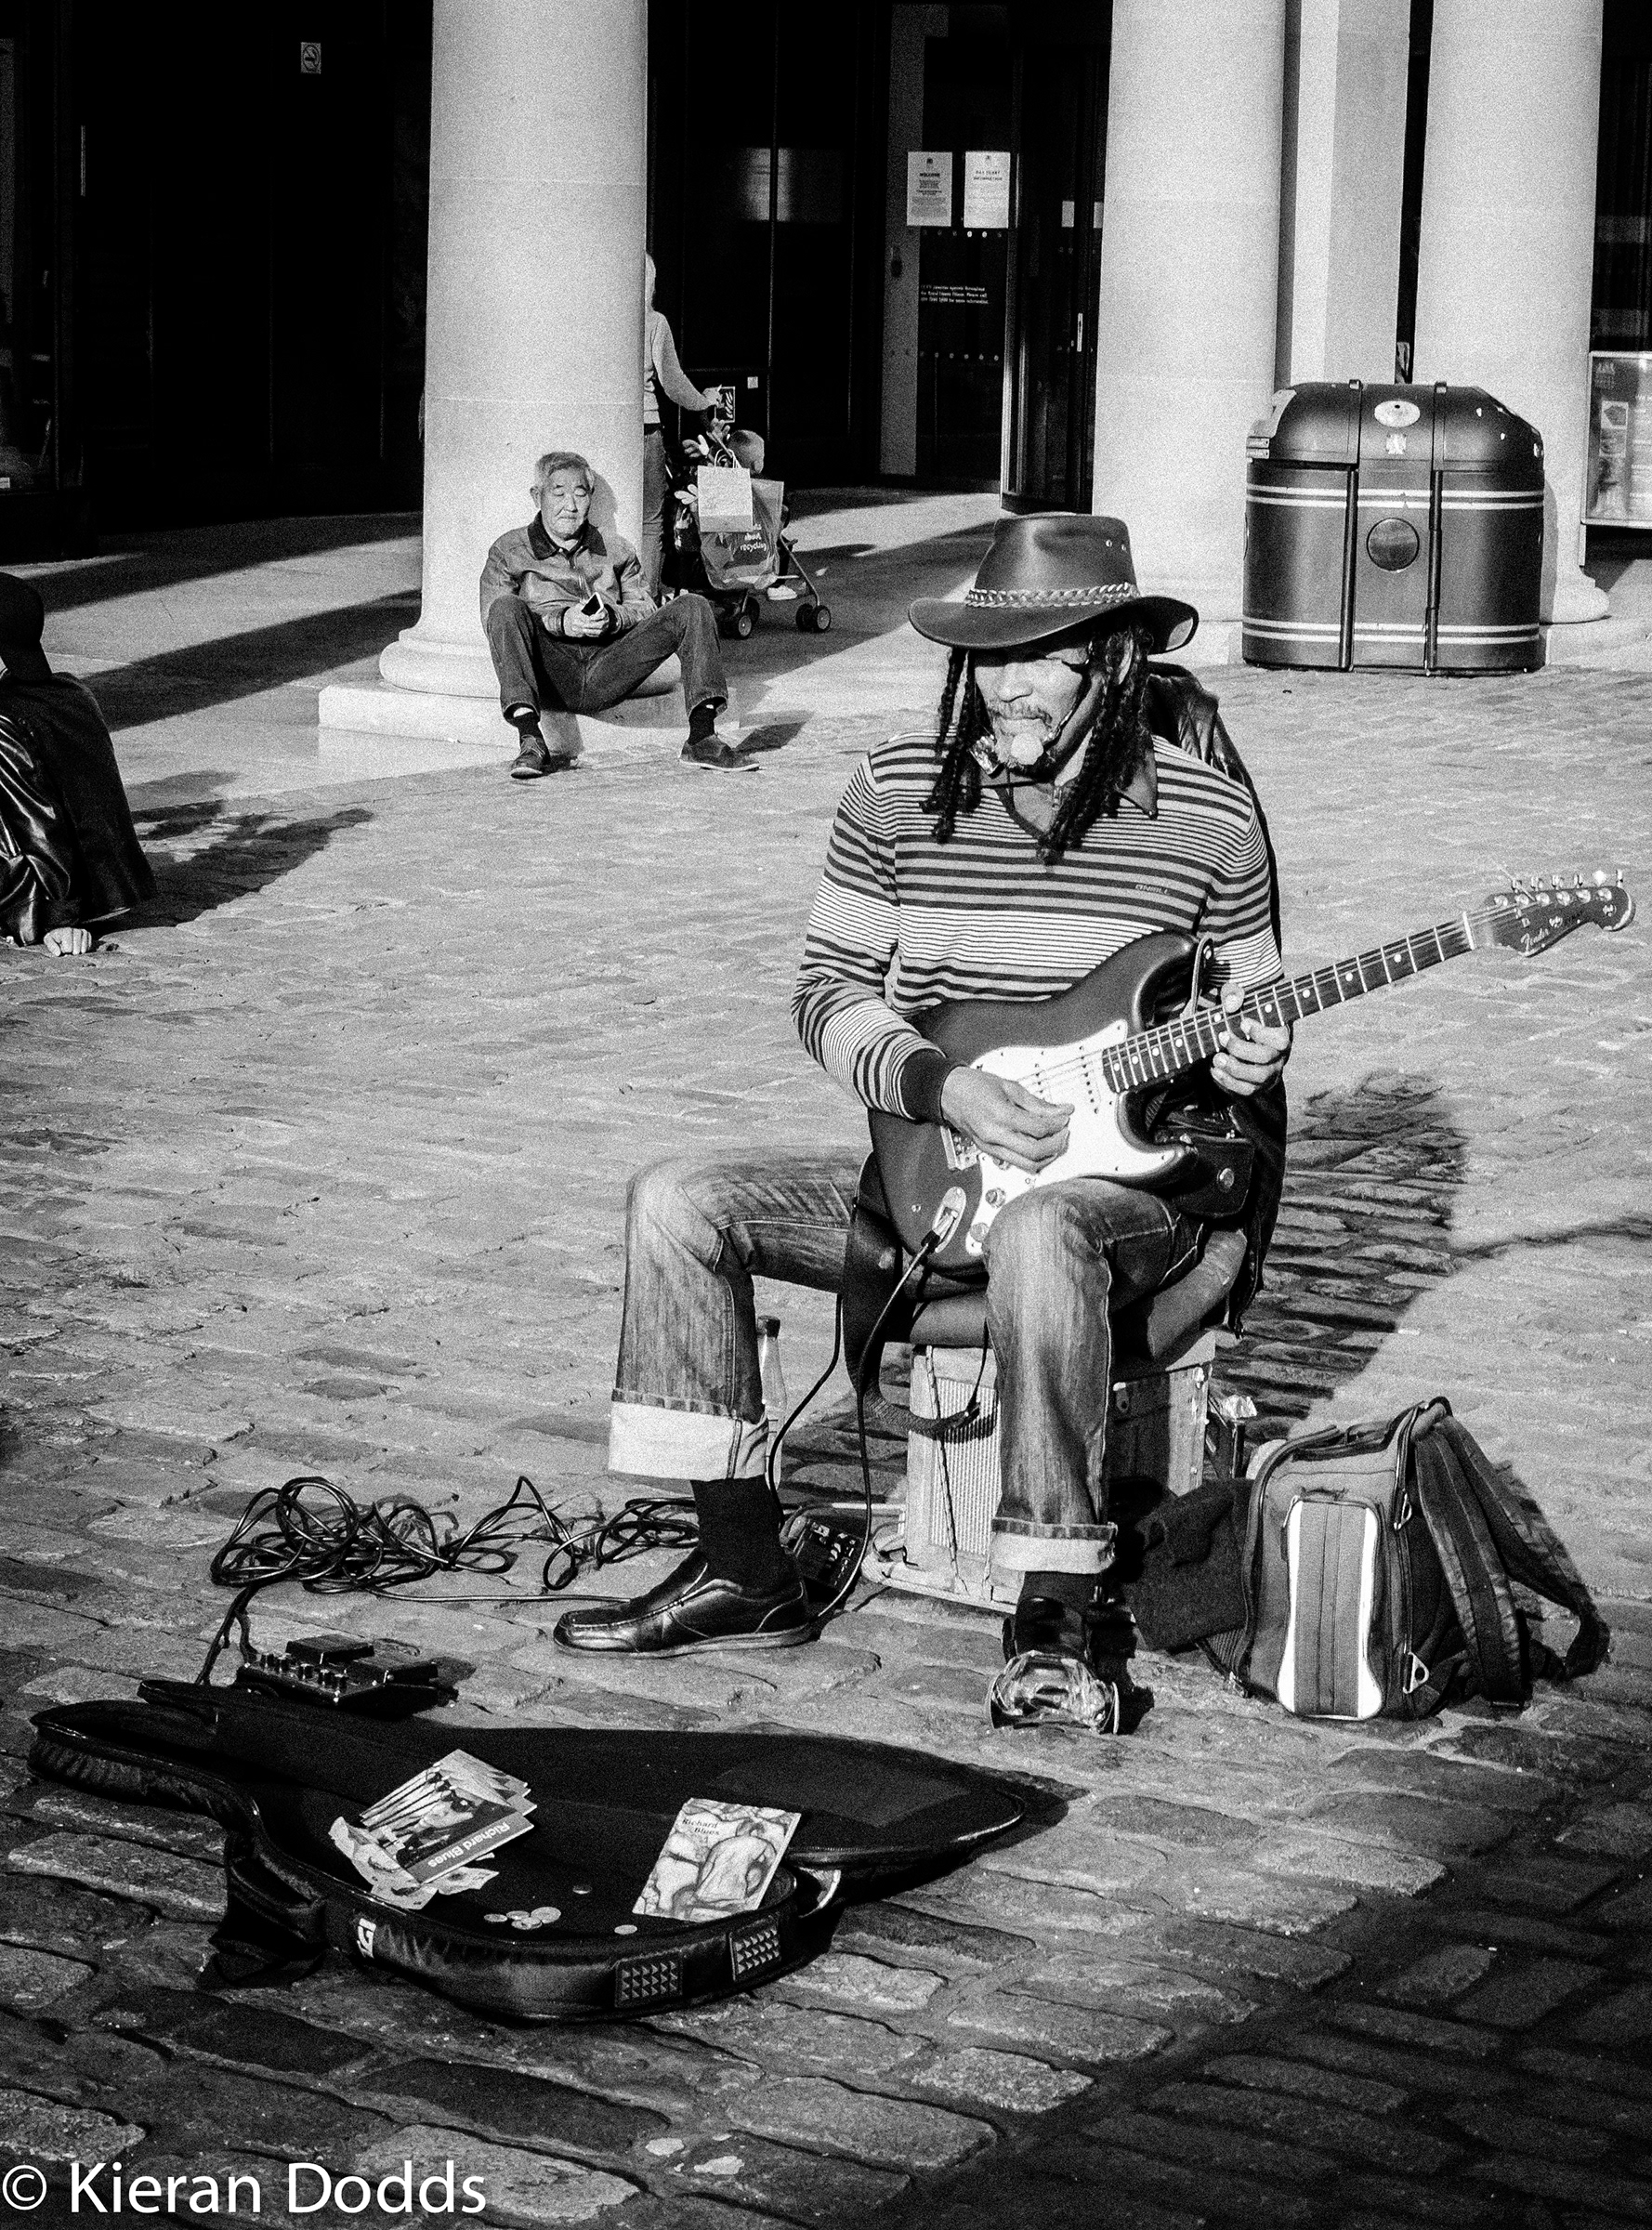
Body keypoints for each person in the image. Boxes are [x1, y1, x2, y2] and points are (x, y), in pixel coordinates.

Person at [554, 514, 1293, 1732]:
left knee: (1047, 1226)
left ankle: (1052, 1615)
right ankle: (744, 1566)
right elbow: (826, 995)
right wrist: (937, 1088)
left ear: (1111, 663)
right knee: (679, 1199)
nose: (1001, 684)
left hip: (1129, 1194)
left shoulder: (1208, 818)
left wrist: (1261, 1040)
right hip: (931, 1165)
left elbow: (1258, 1008)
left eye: (1037, 658)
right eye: (986, 658)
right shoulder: (895, 795)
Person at [479, 450, 748, 779]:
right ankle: (531, 740)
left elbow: (645, 607)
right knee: (505, 607)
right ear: (537, 497)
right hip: (552, 671)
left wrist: (613, 618)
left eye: (580, 494)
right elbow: (493, 618)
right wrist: (561, 621)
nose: (571, 505)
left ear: (590, 498)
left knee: (693, 606)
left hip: (610, 665)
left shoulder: (617, 549)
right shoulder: (509, 550)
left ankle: (702, 737)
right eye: (558, 493)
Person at [0, 572, 154, 955]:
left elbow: (37, 820)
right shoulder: (72, 693)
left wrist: (55, 920)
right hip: (110, 891)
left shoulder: (1, 721)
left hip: (44, 896)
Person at [643, 254, 725, 602]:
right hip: (645, 430)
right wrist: (704, 402)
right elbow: (672, 382)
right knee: (649, 522)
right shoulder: (654, 322)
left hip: (604, 430)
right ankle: (642, 601)